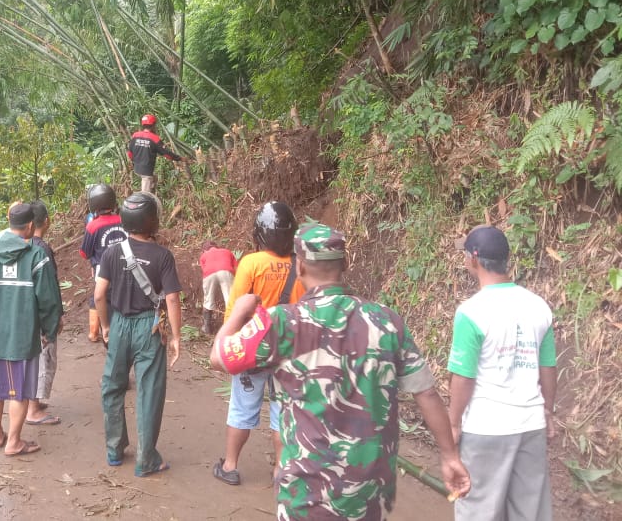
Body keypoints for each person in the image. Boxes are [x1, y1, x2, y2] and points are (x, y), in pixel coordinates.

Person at [211, 222, 471, 519]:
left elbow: (219, 357)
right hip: (369, 494)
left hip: (305, 494)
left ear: (300, 268)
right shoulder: (387, 321)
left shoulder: (281, 321)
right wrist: (449, 456)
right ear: (345, 264)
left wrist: (241, 313)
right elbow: (426, 392)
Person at [448, 225, 557, 521]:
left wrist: (454, 424)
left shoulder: (471, 312)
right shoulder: (539, 307)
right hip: (530, 424)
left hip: (486, 428)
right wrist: (547, 411)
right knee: (529, 512)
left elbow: (463, 378)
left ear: (474, 259)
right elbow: (547, 367)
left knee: (479, 510)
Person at [213, 201, 305, 487]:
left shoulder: (251, 263)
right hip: (288, 350)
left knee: (242, 407)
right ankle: (280, 469)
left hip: (253, 350)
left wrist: (229, 341)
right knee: (281, 412)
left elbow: (235, 310)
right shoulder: (301, 264)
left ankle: (230, 466)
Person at [0, 202, 63, 456]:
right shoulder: (35, 256)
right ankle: (14, 441)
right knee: (20, 389)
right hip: (23, 334)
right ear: (30, 226)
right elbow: (48, 299)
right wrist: (50, 329)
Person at [95, 192, 182, 477]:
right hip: (149, 327)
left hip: (119, 323)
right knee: (149, 392)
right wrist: (177, 337)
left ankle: (114, 449)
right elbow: (171, 300)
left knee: (112, 385)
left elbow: (99, 295)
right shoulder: (163, 256)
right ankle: (147, 460)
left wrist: (106, 326)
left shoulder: (111, 252)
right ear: (152, 221)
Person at [26, 200, 64, 426]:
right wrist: (55, 316)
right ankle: (33, 409)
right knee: (43, 359)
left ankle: (33, 404)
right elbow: (49, 288)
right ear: (46, 221)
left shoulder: (22, 245)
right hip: (40, 315)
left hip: (26, 313)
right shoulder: (42, 249)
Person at [80, 184, 127, 342]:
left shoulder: (93, 226)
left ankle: (97, 333)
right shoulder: (123, 220)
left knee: (100, 299)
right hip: (127, 269)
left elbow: (84, 253)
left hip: (103, 274)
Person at [126, 113, 183, 194]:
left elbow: (129, 153)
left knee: (154, 179)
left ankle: (152, 193)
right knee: (145, 195)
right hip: (146, 171)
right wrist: (179, 158)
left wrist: (134, 162)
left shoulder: (135, 135)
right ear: (153, 125)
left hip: (137, 168)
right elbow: (167, 154)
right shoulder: (154, 138)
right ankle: (146, 202)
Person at [199, 241, 237, 336]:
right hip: (226, 271)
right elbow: (236, 267)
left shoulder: (204, 255)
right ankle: (232, 328)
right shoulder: (227, 251)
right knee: (230, 300)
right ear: (217, 247)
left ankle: (207, 328)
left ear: (204, 250)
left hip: (209, 273)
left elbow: (204, 270)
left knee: (208, 299)